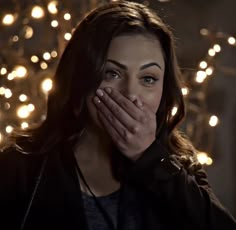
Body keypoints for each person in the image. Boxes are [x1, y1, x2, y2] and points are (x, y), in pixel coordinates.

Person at [0, 1, 236, 229]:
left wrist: (150, 159)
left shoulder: (180, 166)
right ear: (80, 78)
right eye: (112, 73)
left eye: (148, 79)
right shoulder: (20, 167)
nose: (131, 94)